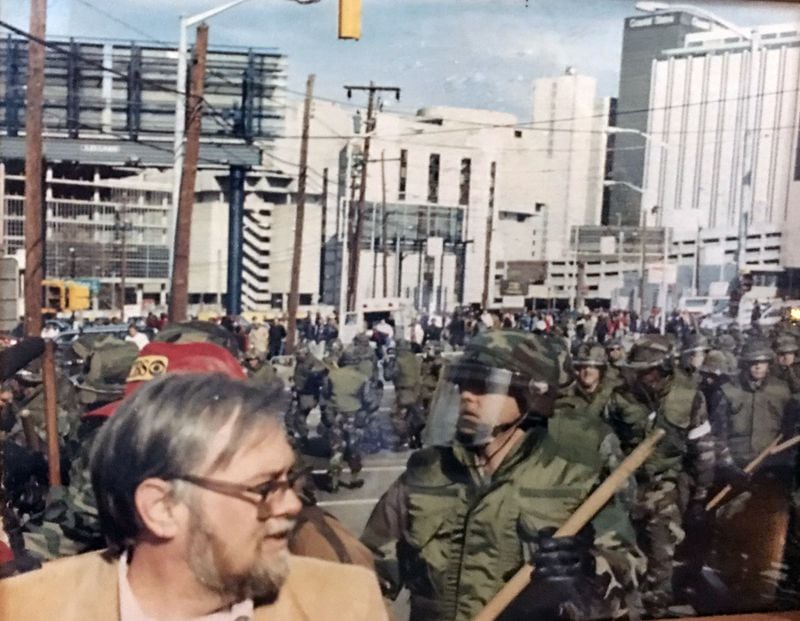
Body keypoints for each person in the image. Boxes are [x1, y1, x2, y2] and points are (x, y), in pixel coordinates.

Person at [0, 373, 388, 621]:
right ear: (162, 508)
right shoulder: (27, 608)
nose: (290, 505)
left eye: (290, 480)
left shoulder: (343, 603)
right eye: (264, 488)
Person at [361, 330, 642, 621]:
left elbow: (629, 567)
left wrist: (586, 569)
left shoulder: (575, 475)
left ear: (533, 393)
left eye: (484, 385)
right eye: (463, 384)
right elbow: (367, 567)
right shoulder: (428, 473)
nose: (468, 396)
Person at [606, 335, 716, 617]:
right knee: (617, 551)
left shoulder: (689, 397)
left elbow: (702, 449)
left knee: (662, 549)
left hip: (666, 481)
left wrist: (700, 494)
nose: (645, 376)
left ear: (666, 367)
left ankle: (656, 605)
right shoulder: (621, 397)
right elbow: (605, 441)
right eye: (640, 370)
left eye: (651, 369)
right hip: (623, 485)